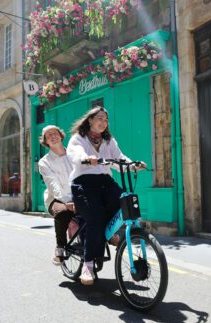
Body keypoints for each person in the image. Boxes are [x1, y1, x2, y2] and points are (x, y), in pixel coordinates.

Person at [67, 106, 146, 285]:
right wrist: (87, 158)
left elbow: (119, 158)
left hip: (104, 181)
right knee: (95, 217)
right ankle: (88, 265)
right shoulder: (78, 138)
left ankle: (108, 232)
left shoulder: (109, 141)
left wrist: (133, 164)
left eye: (106, 120)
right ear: (90, 120)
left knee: (123, 202)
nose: (103, 122)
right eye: (99, 118)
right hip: (84, 182)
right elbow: (75, 154)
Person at [38, 125, 74, 265]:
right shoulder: (44, 162)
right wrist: (66, 201)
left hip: (77, 196)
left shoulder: (73, 154)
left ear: (61, 136)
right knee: (62, 212)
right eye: (48, 135)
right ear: (45, 141)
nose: (53, 136)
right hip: (56, 198)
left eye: (55, 133)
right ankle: (60, 246)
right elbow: (53, 185)